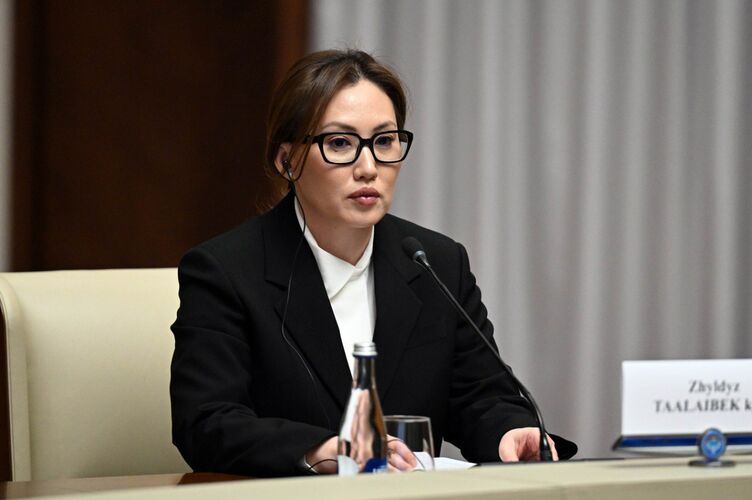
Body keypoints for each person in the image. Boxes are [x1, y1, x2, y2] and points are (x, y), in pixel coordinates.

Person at [170, 49, 576, 477]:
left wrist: (510, 432)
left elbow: (481, 397)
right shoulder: (227, 271)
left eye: (384, 142)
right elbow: (206, 423)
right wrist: (325, 451)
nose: (368, 168)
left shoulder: (435, 263)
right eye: (339, 143)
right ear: (286, 161)